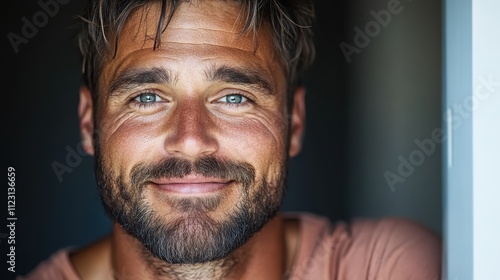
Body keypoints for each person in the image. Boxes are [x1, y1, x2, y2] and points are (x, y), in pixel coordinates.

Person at [18, 0, 442, 279]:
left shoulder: (391, 267)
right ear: (90, 122)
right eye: (146, 97)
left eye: (234, 97)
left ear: (293, 121)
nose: (190, 140)